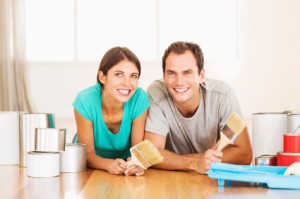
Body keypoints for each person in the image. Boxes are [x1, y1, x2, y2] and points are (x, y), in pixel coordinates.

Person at [144, 41, 252, 174]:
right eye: (171, 73)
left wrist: (176, 160)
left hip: (210, 179)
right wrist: (195, 163)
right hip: (173, 178)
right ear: (164, 76)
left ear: (201, 76)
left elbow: (244, 154)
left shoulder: (223, 96)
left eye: (187, 73)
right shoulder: (156, 93)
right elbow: (151, 153)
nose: (179, 82)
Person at [72, 47, 150, 176]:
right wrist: (108, 164)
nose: (127, 83)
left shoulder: (139, 98)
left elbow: (138, 150)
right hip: (90, 167)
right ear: (102, 77)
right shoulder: (85, 100)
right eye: (119, 74)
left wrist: (138, 163)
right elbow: (87, 154)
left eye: (133, 76)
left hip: (124, 168)